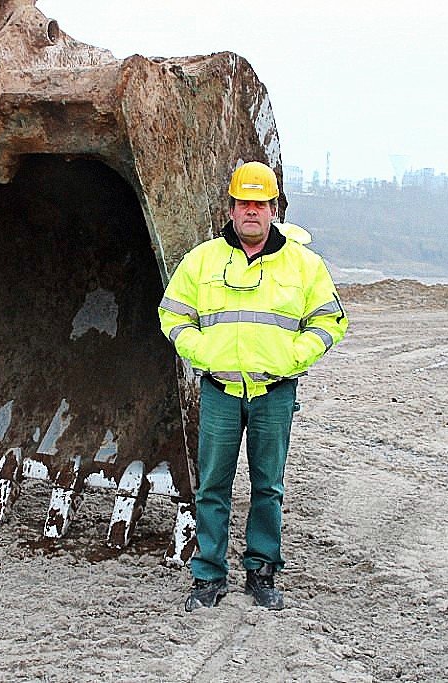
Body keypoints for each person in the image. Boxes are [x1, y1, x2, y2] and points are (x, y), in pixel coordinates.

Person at [158, 161, 348, 612]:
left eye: (260, 204)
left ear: (273, 208)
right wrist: (204, 354)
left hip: (274, 394)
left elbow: (330, 320)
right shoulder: (202, 260)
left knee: (268, 487)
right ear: (231, 207)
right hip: (219, 391)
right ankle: (207, 575)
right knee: (212, 486)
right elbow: (173, 314)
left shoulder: (304, 264)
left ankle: (262, 571)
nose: (251, 211)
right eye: (244, 203)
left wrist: (292, 358)